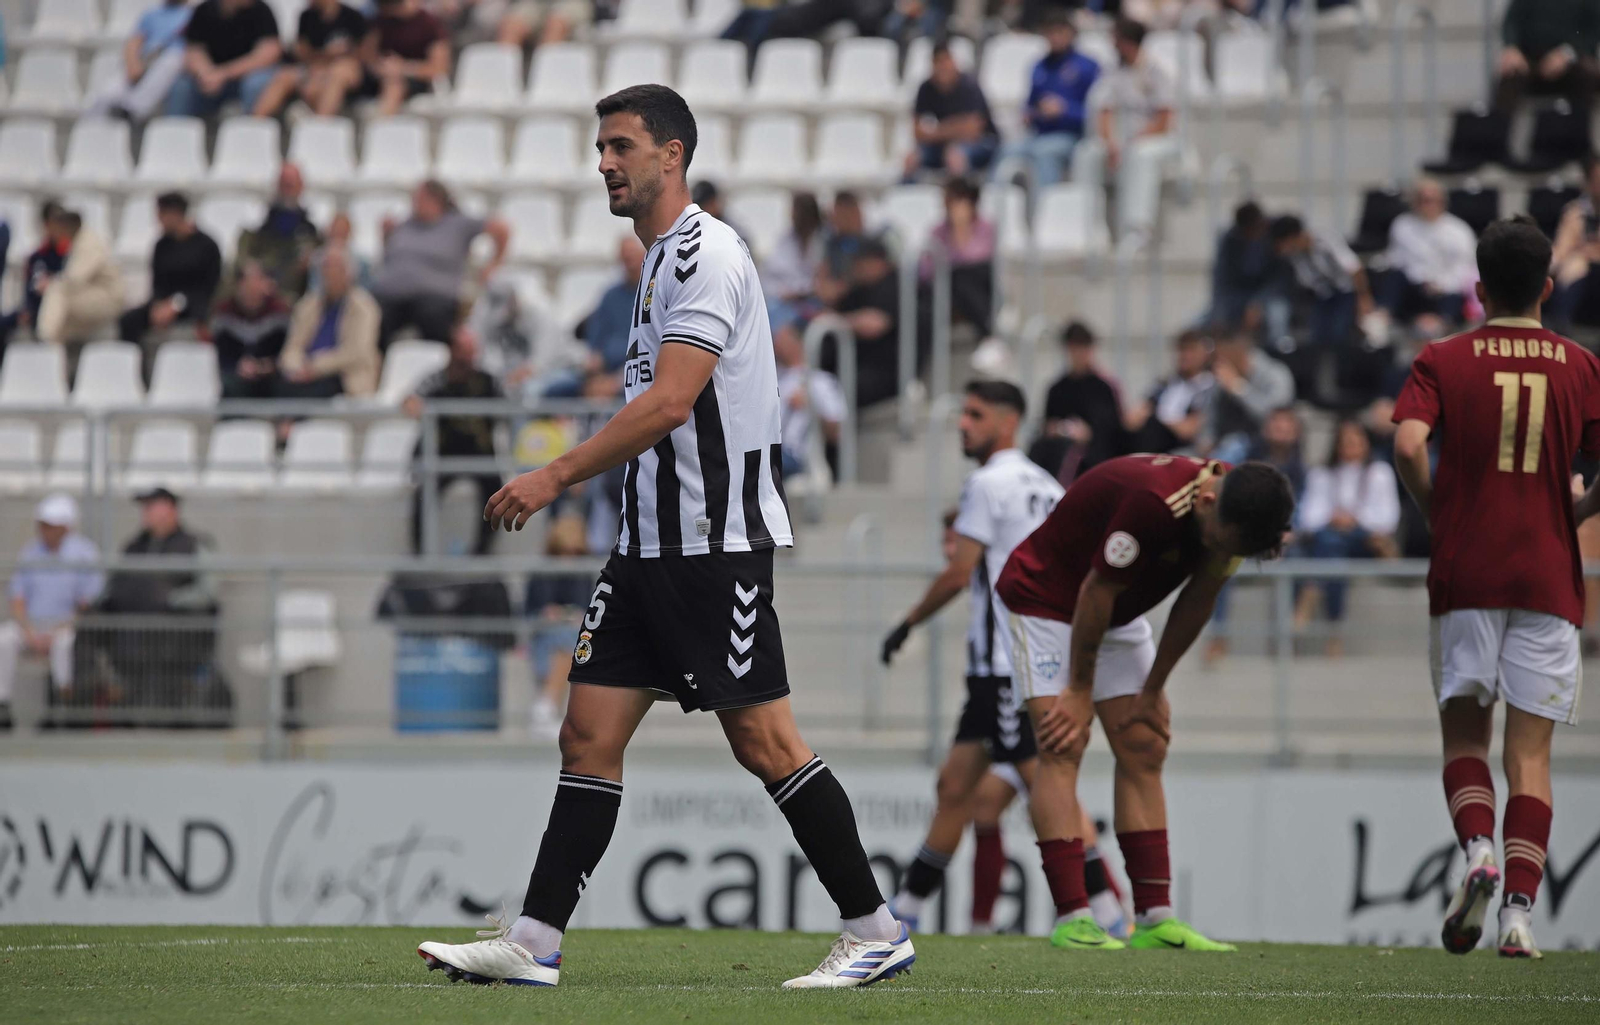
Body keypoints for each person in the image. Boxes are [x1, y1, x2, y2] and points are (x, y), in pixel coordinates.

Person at [419, 84, 914, 990]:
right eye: (599, 148)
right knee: (586, 734)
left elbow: (673, 401)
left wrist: (555, 475)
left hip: (711, 544)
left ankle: (875, 928)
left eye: (620, 146)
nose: (604, 163)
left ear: (671, 154)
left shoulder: (706, 253)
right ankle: (534, 940)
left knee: (765, 742)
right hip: (646, 548)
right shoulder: (654, 263)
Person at [1392, 216, 1600, 959]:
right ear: (1547, 285)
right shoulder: (1581, 364)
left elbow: (1408, 443)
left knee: (1464, 738)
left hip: (1467, 570)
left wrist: (1435, 509)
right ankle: (1517, 915)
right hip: (1547, 574)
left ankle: (1478, 851)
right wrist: (1575, 510)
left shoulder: (1443, 357)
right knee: (1531, 757)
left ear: (1479, 290)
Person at [994, 455, 1295, 951]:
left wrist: (1153, 689)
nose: (1220, 552)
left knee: (1144, 743)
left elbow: (1199, 598)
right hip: (1045, 599)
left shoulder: (1239, 514)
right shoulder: (1154, 502)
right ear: (1207, 501)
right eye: (1219, 542)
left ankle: (1155, 918)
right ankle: (1074, 918)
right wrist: (1079, 689)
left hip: (1112, 607)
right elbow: (1095, 590)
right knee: (1063, 742)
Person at [879, 381, 1064, 931]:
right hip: (1021, 666)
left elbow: (960, 573)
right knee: (957, 788)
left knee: (1047, 790)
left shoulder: (987, 483)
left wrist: (908, 622)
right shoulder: (1049, 488)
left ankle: (1102, 907)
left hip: (1007, 667)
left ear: (1007, 423)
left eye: (975, 415)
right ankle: (907, 911)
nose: (962, 424)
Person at [75, 488, 222, 719]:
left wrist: (170, 600)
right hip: (129, 633)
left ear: (171, 510)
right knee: (87, 627)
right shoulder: (134, 546)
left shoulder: (194, 545)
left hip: (174, 635)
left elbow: (208, 592)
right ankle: (78, 712)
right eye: (145, 507)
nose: (146, 512)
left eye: (152, 506)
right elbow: (112, 585)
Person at [1293, 418, 1401, 656]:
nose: (1351, 445)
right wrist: (1333, 518)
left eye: (1356, 440)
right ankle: (1334, 631)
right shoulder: (1322, 473)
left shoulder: (1379, 472)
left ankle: (1311, 591)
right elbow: (1308, 518)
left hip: (1364, 540)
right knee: (1332, 547)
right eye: (1346, 441)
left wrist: (1354, 519)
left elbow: (1388, 518)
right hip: (1329, 538)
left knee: (1330, 547)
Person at [0, 495, 103, 732]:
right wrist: (29, 631)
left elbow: (87, 603)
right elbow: (17, 598)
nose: (45, 531)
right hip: (31, 626)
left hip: (66, 626)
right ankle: (2, 703)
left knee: (65, 644)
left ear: (66, 527)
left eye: (51, 526)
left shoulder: (85, 553)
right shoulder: (31, 552)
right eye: (43, 525)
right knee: (4, 638)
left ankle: (60, 705)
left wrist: (58, 629)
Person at [371, 180, 509, 352]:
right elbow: (390, 258)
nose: (415, 204)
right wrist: (385, 236)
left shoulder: (458, 223)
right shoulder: (404, 224)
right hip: (391, 296)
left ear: (436, 200)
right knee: (370, 316)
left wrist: (494, 264)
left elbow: (501, 228)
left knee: (432, 317)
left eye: (420, 199)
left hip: (435, 299)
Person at [403, 327, 504, 557]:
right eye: (463, 352)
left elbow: (510, 404)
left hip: (480, 453)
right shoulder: (436, 379)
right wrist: (415, 405)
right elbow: (410, 400)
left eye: (471, 352)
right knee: (424, 493)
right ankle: (421, 554)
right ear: (452, 351)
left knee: (496, 495)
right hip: (443, 452)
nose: (468, 359)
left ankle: (482, 554)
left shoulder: (488, 381)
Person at [1080, 18, 1180, 244]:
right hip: (1123, 139)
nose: (1112, 44)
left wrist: (1131, 142)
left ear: (1127, 42)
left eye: (1116, 39)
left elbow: (1164, 119)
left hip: (1160, 139)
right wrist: (1110, 143)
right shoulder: (1112, 70)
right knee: (1087, 153)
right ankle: (1088, 224)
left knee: (1140, 155)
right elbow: (1104, 110)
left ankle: (1137, 227)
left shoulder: (1159, 70)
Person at [1002, 10, 1100, 187]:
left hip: (1073, 136)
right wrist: (1031, 114)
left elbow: (1096, 113)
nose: (1055, 38)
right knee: (1008, 149)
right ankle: (994, 201)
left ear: (1071, 34)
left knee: (1044, 152)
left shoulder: (1088, 67)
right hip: (1039, 134)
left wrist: (1065, 110)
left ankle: (1045, 203)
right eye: (1051, 33)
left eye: (1060, 32)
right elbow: (1030, 106)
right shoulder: (1039, 67)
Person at [118, 193, 223, 355]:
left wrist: (176, 304)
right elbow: (158, 284)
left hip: (194, 305)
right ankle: (136, 366)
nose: (159, 220)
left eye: (162, 215)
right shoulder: (161, 245)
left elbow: (208, 287)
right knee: (129, 320)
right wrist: (158, 306)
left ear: (176, 214)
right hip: (163, 304)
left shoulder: (207, 246)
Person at [1374, 178, 1477, 336]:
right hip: (1415, 287)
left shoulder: (1459, 231)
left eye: (1432, 200)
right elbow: (1397, 261)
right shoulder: (1402, 225)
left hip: (1447, 290)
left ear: (1442, 202)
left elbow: (1464, 268)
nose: (1427, 205)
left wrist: (1441, 284)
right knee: (1392, 278)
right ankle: (1381, 318)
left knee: (1457, 295)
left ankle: (1443, 323)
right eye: (1422, 200)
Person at [278, 245, 380, 399]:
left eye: (336, 268)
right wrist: (296, 366)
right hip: (303, 373)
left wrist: (315, 367)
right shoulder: (307, 305)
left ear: (349, 273)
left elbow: (356, 352)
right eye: (326, 267)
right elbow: (292, 347)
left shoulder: (364, 307)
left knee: (315, 391)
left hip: (342, 376)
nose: (330, 273)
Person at [524, 514, 592, 739]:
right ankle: (546, 708)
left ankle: (546, 706)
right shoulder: (543, 570)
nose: (569, 558)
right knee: (564, 641)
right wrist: (552, 613)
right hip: (543, 633)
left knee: (570, 640)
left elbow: (584, 607)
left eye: (574, 553)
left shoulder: (582, 572)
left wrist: (569, 614)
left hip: (572, 634)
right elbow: (535, 609)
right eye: (564, 552)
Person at [1031, 321, 1123, 482]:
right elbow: (1048, 423)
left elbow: (1114, 427)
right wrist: (1057, 429)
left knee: (1072, 454)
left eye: (1083, 348)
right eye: (1074, 348)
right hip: (1060, 446)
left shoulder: (1104, 387)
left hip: (1094, 452)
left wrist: (1089, 433)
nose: (1079, 354)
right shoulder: (1057, 388)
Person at [165, 0, 283, 119]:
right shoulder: (204, 10)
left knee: (256, 83)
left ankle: (252, 126)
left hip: (243, 77)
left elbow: (269, 53)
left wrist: (223, 74)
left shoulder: (261, 10)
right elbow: (194, 50)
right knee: (182, 86)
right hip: (210, 80)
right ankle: (174, 128)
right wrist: (206, 73)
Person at [252, 0, 368, 117]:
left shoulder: (353, 17)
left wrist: (328, 63)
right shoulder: (307, 17)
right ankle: (256, 120)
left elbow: (361, 55)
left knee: (337, 74)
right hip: (312, 68)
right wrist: (326, 55)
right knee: (284, 75)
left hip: (342, 71)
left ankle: (321, 122)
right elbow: (302, 53)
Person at [36, 210, 125, 363]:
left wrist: (50, 283)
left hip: (107, 298)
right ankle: (54, 362)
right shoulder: (79, 240)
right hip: (92, 295)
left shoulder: (89, 243)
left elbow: (75, 279)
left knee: (56, 291)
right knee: (61, 323)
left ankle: (44, 343)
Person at [905, 40, 1000, 181]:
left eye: (946, 61)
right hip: (943, 145)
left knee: (955, 156)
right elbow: (917, 132)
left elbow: (973, 130)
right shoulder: (926, 88)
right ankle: (906, 193)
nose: (943, 66)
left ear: (953, 61)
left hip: (983, 143)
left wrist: (936, 131)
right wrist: (954, 128)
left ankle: (959, 194)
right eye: (938, 62)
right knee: (912, 159)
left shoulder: (969, 86)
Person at [87, 0, 194, 123]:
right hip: (145, 61)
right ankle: (90, 127)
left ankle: (132, 111)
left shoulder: (194, 15)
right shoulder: (152, 14)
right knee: (107, 95)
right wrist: (133, 65)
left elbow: (195, 50)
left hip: (173, 65)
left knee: (172, 60)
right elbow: (133, 43)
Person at [918, 176, 996, 337]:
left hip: (980, 282)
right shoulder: (938, 231)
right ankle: (988, 330)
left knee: (961, 277)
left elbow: (977, 258)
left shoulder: (986, 227)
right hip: (950, 288)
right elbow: (926, 270)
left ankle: (988, 331)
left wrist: (961, 230)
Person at [1203, 331, 1295, 465]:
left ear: (1237, 354)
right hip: (1226, 444)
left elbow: (1275, 419)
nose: (1217, 363)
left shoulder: (1277, 374)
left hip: (1267, 446)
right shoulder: (1222, 381)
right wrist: (1206, 439)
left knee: (1233, 445)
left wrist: (1239, 388)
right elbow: (1210, 416)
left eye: (1221, 357)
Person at [1494, 0, 1600, 114]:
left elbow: (1594, 31)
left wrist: (1566, 53)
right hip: (1530, 61)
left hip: (1573, 60)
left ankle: (1579, 123)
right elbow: (1512, 21)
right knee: (1510, 74)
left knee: (1587, 76)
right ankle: (1498, 123)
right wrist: (1512, 47)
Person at [575, 235, 648, 399]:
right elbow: (595, 342)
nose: (629, 263)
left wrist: (617, 380)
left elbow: (650, 348)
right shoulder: (610, 296)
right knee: (558, 387)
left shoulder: (654, 292)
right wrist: (595, 371)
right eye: (625, 258)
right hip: (605, 371)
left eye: (632, 256)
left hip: (637, 371)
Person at [236, 165, 322, 299]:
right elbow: (245, 260)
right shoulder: (259, 226)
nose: (287, 191)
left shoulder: (310, 231)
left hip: (297, 294)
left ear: (301, 187)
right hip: (262, 293)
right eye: (284, 185)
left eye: (291, 185)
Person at [1123, 330, 1213, 455]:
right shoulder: (1165, 383)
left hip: (1180, 448)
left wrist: (1163, 416)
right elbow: (1132, 419)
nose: (1185, 356)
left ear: (1205, 354)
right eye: (1182, 350)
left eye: (1191, 350)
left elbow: (1189, 430)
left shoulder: (1209, 387)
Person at [213, 261, 292, 399]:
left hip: (270, 375)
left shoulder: (279, 311)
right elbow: (220, 352)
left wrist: (266, 366)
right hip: (235, 376)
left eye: (257, 281)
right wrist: (237, 366)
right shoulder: (224, 312)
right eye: (248, 282)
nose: (253, 287)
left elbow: (286, 350)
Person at [774, 322, 844, 479]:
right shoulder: (773, 378)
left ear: (798, 342)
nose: (776, 344)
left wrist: (810, 406)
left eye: (782, 340)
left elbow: (836, 433)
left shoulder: (820, 381)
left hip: (797, 457)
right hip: (770, 449)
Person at [1200, 201, 1282, 334]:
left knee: (1277, 315)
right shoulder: (1230, 240)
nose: (1252, 236)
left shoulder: (1276, 234)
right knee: (1208, 321)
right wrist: (1218, 315)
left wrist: (1258, 303)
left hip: (1271, 294)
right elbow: (1221, 280)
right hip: (1238, 296)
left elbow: (1280, 278)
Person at [363, 0, 451, 118]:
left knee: (394, 84)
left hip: (416, 80)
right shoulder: (380, 22)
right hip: (379, 77)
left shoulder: (430, 24)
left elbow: (439, 68)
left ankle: (382, 123)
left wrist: (403, 68)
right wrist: (381, 67)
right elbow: (367, 56)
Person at [1549, 156, 1600, 331]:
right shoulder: (1574, 212)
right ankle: (1561, 326)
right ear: (1588, 182)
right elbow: (1562, 249)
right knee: (1573, 267)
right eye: (1597, 179)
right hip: (1581, 267)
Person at [763, 191, 826, 315]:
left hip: (814, 300)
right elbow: (771, 273)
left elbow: (820, 280)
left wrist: (801, 291)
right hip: (786, 299)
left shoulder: (823, 239)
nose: (792, 215)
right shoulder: (786, 240)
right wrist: (785, 292)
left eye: (796, 211)